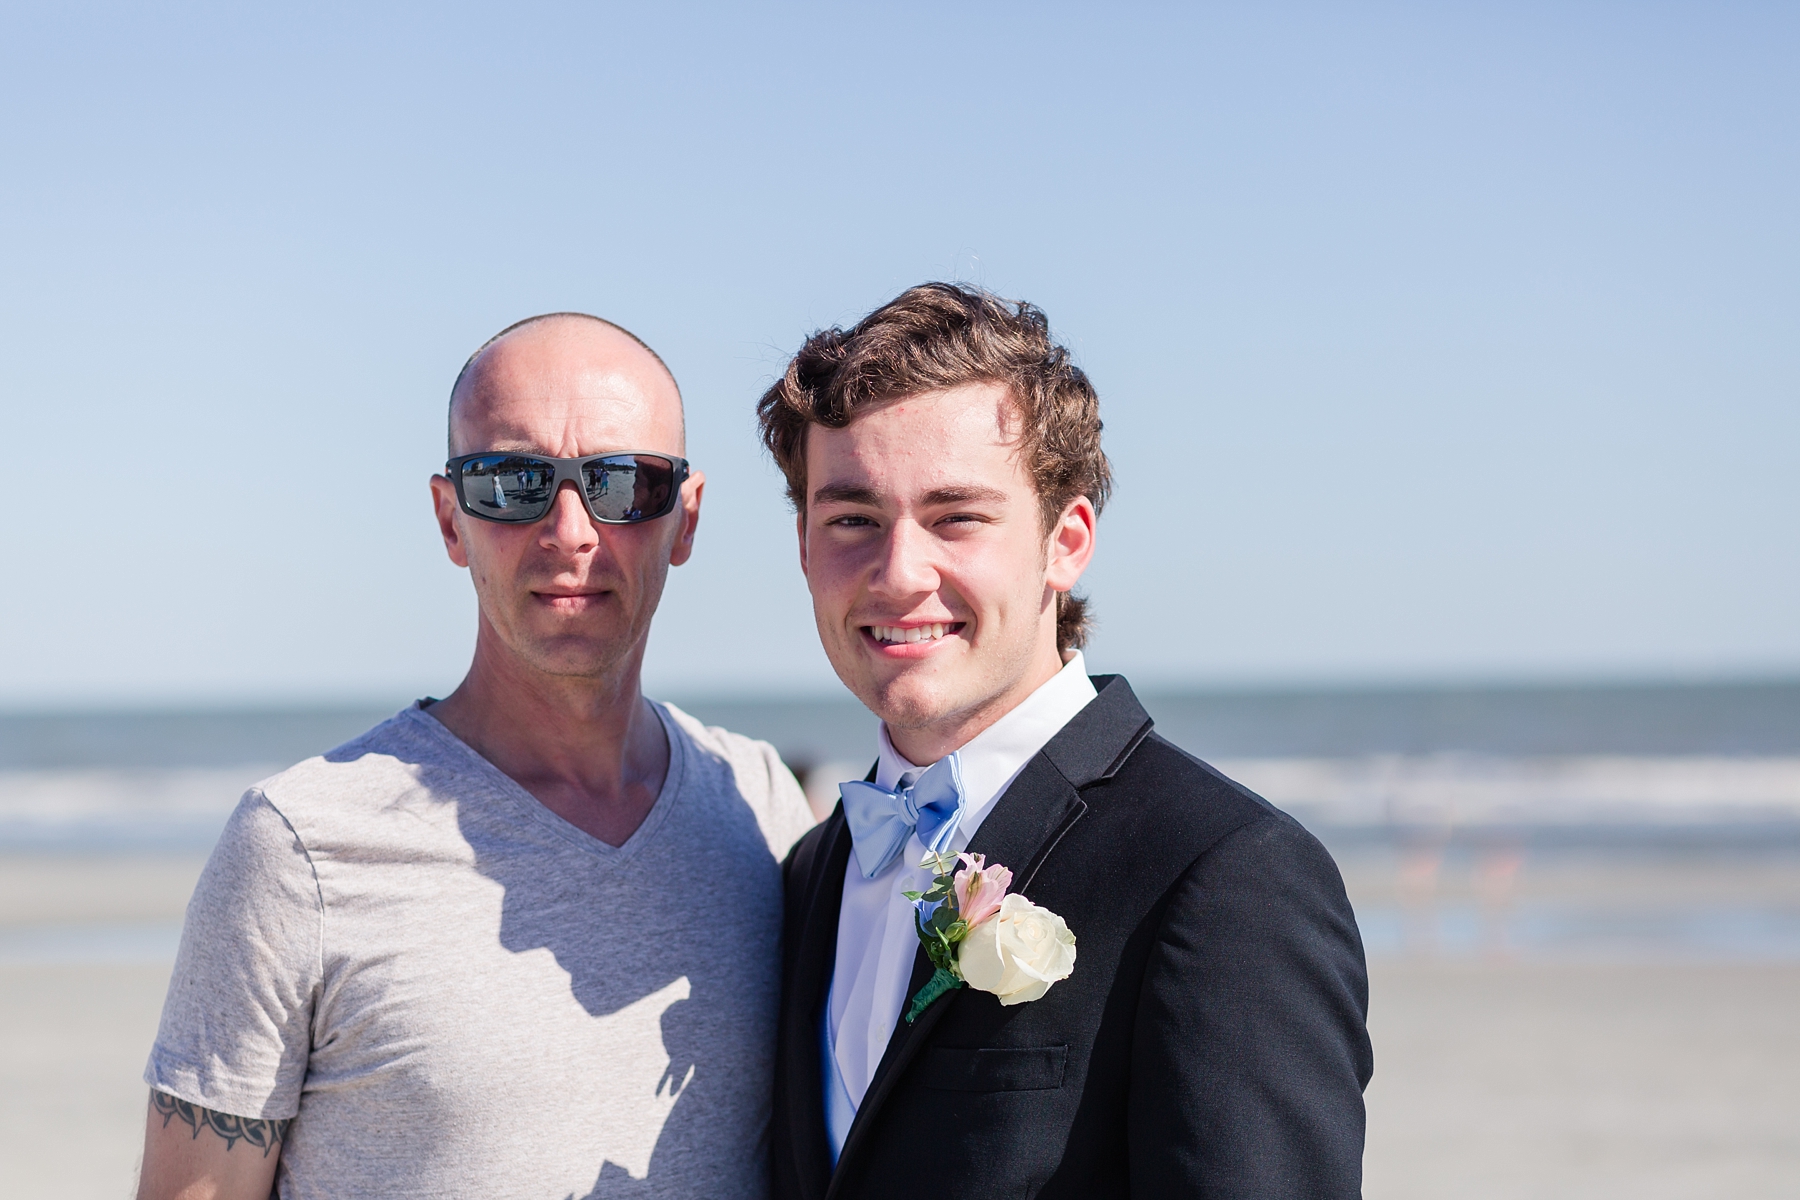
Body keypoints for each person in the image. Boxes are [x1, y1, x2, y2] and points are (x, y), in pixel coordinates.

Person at [138, 313, 817, 1200]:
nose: (571, 532)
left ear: (684, 523)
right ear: (450, 519)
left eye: (623, 482)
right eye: (511, 482)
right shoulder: (299, 847)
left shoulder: (761, 808)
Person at [758, 283, 1373, 1199]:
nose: (897, 572)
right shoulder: (813, 872)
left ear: (1066, 540)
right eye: (852, 519)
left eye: (956, 516)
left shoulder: (1224, 876)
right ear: (805, 546)